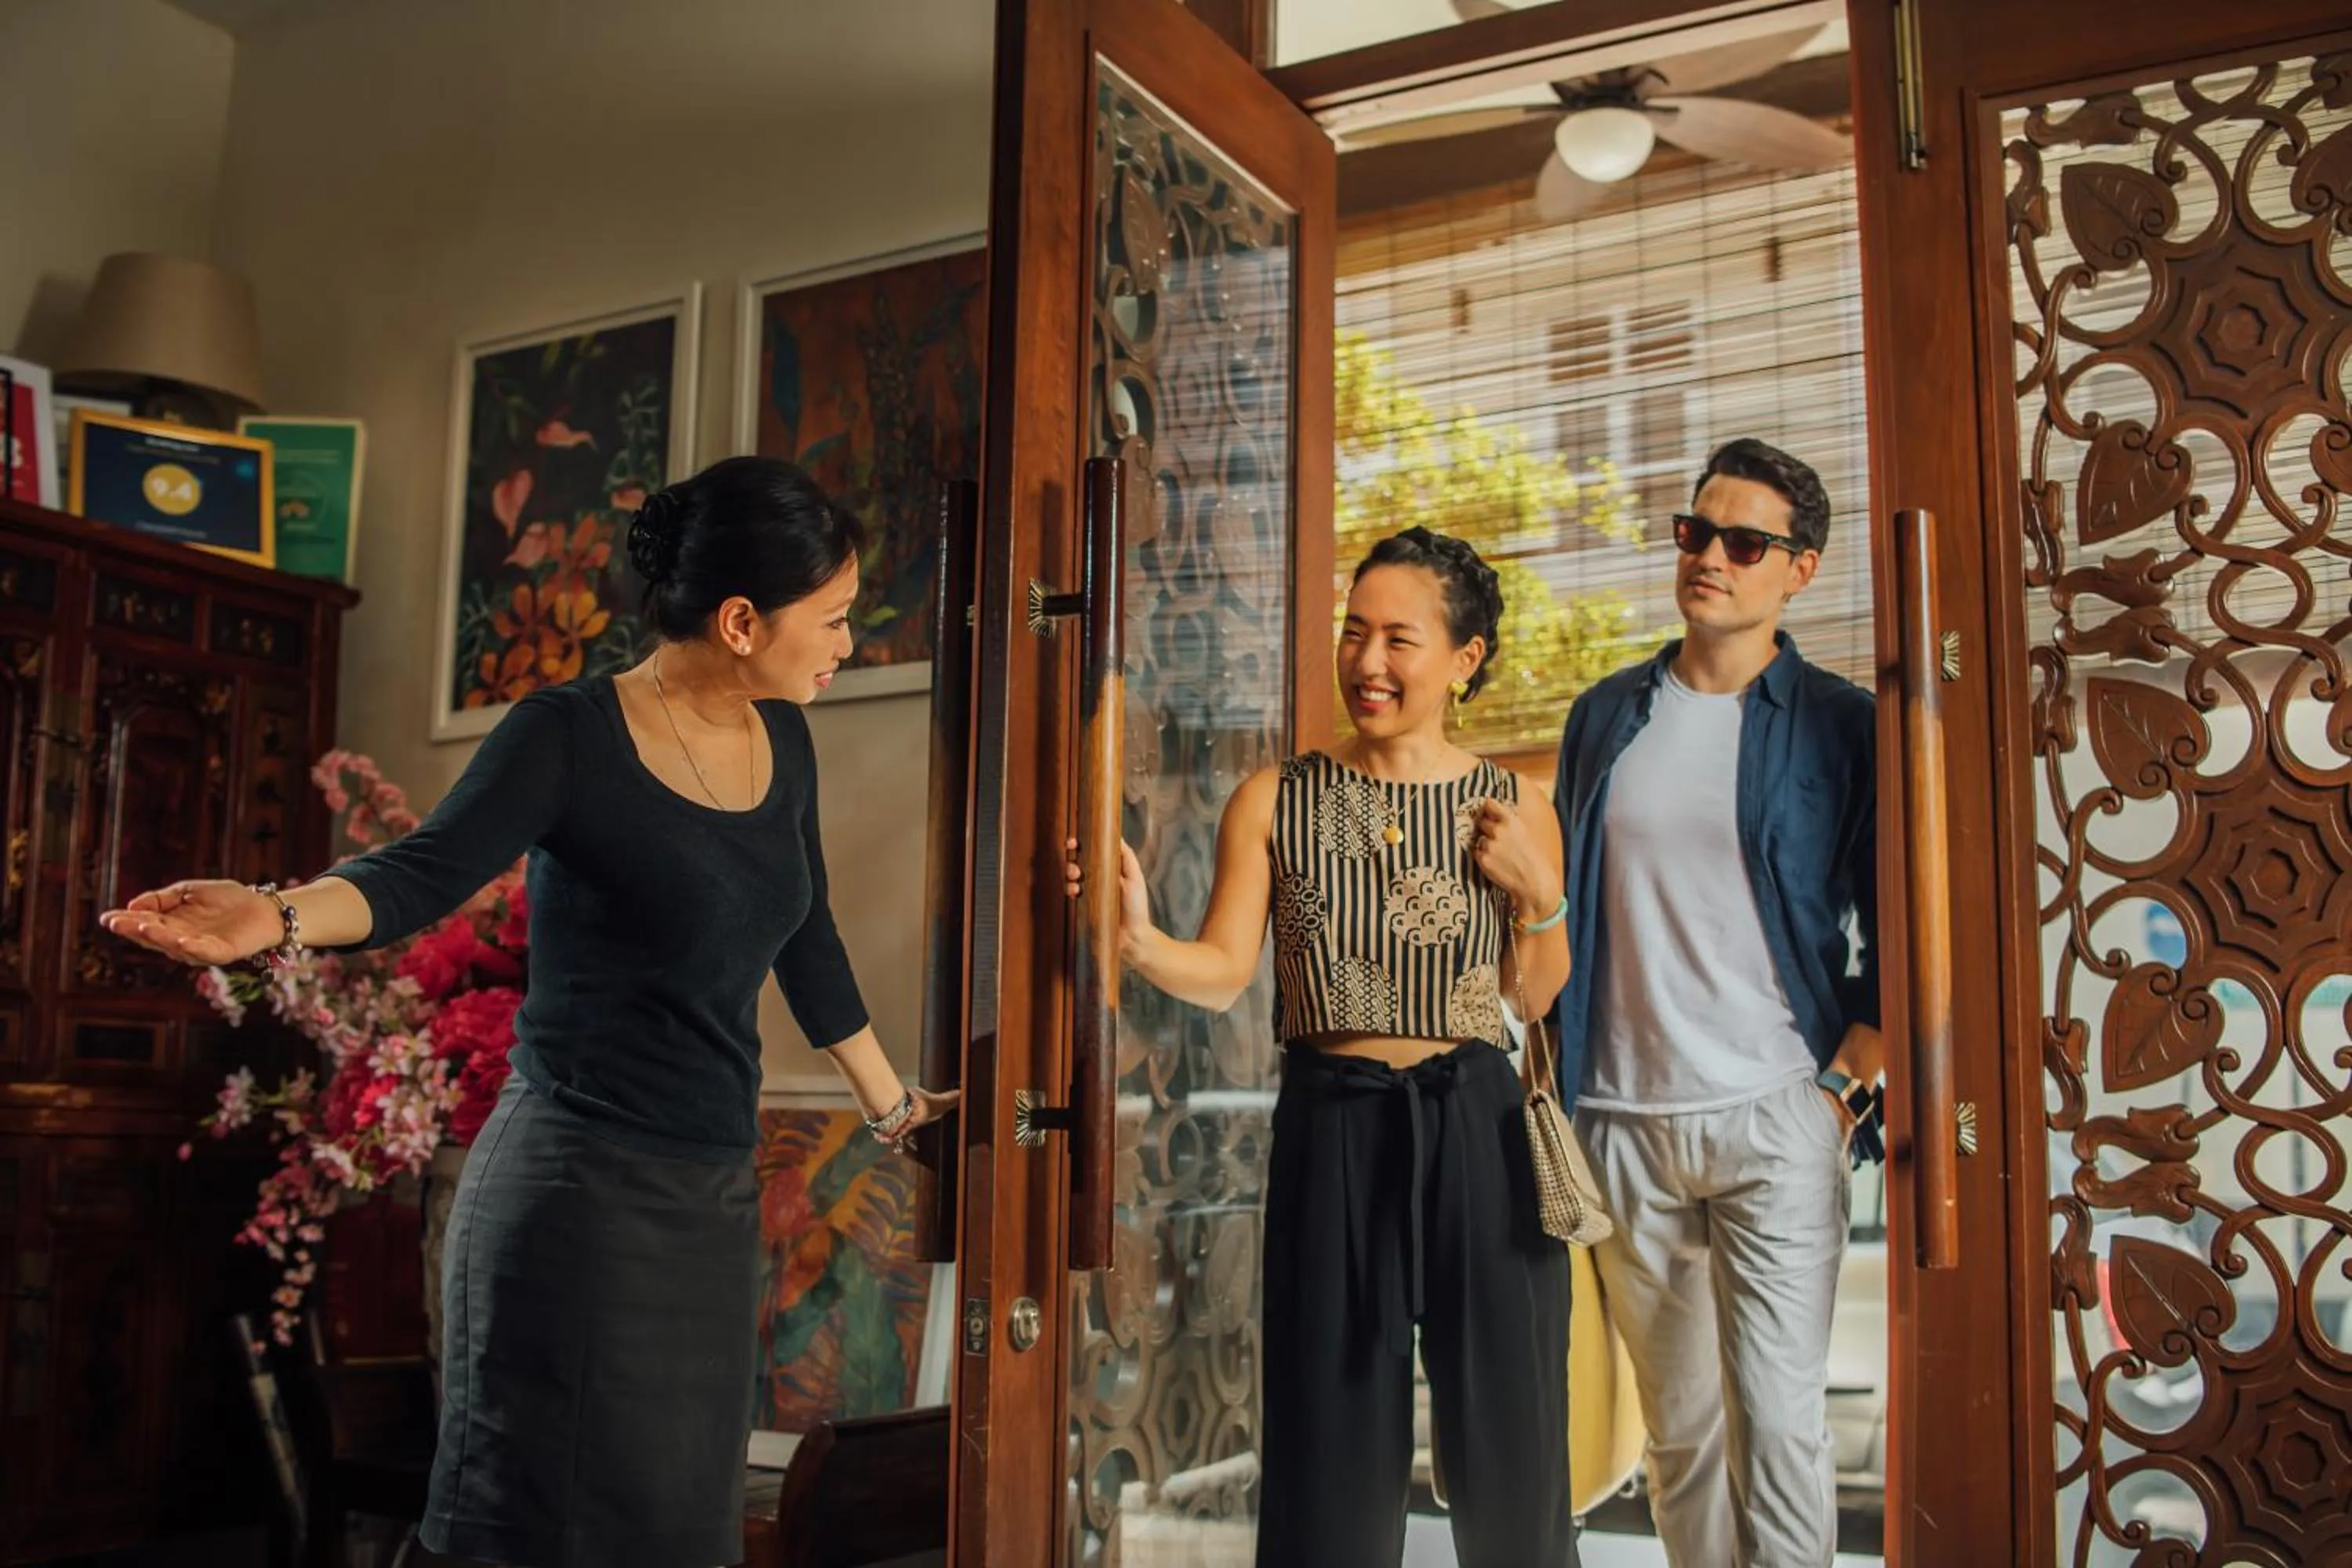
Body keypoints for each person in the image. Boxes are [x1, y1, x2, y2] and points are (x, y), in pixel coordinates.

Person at [100, 456, 956, 1568]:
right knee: (532, 1531)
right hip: (572, 1201)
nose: (850, 644)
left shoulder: (783, 739)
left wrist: (895, 1110)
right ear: (743, 620)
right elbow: (419, 873)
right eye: (835, 620)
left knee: (676, 1535)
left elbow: (807, 931)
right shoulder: (567, 734)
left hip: (705, 1201)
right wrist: (271, 918)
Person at [1074, 527, 1577, 1568]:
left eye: (1400, 638)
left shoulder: (1518, 805)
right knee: (1327, 1443)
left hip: (1478, 1121)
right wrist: (1138, 940)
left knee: (1511, 1443)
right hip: (1333, 1121)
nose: (1368, 662)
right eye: (1355, 633)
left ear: (1465, 659)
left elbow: (1529, 995)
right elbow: (1221, 968)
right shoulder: (1275, 799)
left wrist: (1540, 895)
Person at [1549, 437, 1882, 1567]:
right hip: (1624, 1122)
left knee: (1780, 1429)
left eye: (1746, 543)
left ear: (1802, 569)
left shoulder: (1839, 724)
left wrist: (1840, 1098)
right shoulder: (1605, 716)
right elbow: (1563, 912)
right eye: (1697, 533)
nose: (1712, 559)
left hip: (1774, 1117)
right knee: (1680, 1437)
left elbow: (1894, 931)